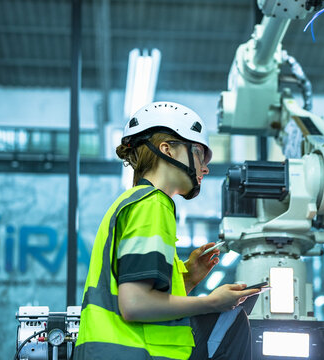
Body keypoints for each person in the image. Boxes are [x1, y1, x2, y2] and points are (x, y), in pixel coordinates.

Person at [74, 101, 260, 360]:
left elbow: (137, 298)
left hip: (115, 352)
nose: (205, 167)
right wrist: (212, 302)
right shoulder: (152, 204)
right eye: (198, 153)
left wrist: (188, 279)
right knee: (232, 319)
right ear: (168, 150)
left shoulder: (134, 202)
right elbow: (135, 305)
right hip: (135, 354)